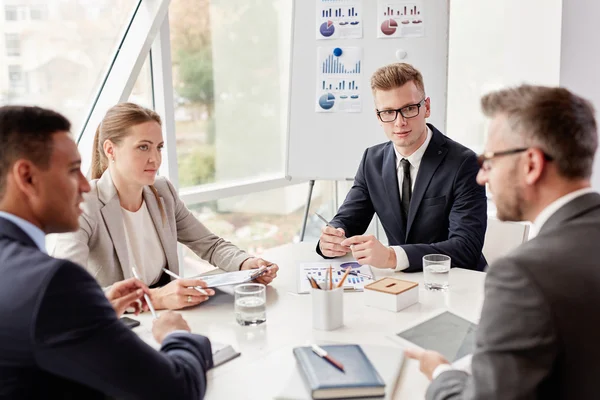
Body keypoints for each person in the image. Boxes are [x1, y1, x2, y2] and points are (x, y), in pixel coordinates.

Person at [0, 105, 214, 399]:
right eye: (73, 170)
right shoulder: (53, 283)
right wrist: (178, 336)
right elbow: (176, 390)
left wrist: (93, 309)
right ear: (27, 177)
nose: (86, 184)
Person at [406, 84, 600, 399]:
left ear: (531, 165)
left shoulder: (524, 274)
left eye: (490, 161)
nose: (482, 177)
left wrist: (442, 374)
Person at [53, 103, 279, 310]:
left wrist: (246, 264)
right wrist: (156, 298)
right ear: (110, 150)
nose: (155, 159)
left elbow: (209, 245)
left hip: (167, 316)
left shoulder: (162, 192)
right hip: (118, 324)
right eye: (143, 147)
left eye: (158, 147)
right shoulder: (83, 205)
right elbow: (66, 292)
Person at [317, 63, 487, 272]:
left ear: (427, 107)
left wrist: (391, 256)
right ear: (378, 116)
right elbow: (348, 219)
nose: (399, 122)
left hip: (456, 283)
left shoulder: (464, 163)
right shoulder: (372, 160)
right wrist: (332, 239)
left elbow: (466, 248)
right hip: (402, 285)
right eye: (388, 112)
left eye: (408, 109)